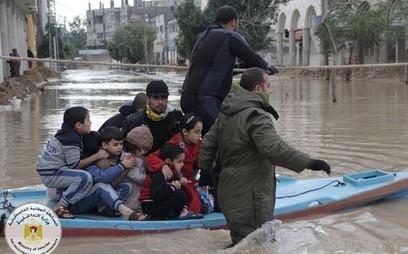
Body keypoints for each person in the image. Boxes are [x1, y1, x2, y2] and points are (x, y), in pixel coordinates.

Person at [198, 67, 331, 246]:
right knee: (257, 245)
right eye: (268, 86)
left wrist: (205, 169)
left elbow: (208, 142)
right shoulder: (256, 115)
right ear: (258, 89)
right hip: (250, 196)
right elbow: (274, 149)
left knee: (243, 243)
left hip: (229, 191)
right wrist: (310, 162)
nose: (270, 90)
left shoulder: (226, 112)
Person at [180, 5, 279, 135]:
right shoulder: (230, 36)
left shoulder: (202, 37)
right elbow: (252, 58)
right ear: (233, 22)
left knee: (205, 140)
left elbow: (218, 70)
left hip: (186, 98)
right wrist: (268, 68)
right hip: (205, 101)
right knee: (227, 136)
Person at [36, 106, 108, 218]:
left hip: (48, 170)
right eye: (88, 119)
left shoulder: (65, 133)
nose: (90, 122)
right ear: (79, 125)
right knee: (84, 177)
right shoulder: (72, 139)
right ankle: (60, 206)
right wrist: (97, 156)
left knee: (81, 177)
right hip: (52, 173)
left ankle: (63, 199)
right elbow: (74, 165)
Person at [146, 113, 203, 213]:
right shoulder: (173, 144)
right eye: (197, 132)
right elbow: (151, 157)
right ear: (185, 132)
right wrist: (163, 165)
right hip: (177, 180)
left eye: (200, 132)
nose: (200, 135)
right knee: (194, 204)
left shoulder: (198, 144)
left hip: (189, 180)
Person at [140, 143, 202, 220]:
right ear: (169, 161)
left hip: (158, 203)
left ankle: (183, 211)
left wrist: (179, 182)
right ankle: (182, 212)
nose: (182, 164)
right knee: (178, 193)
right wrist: (173, 187)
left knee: (182, 190)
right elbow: (157, 194)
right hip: (150, 207)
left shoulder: (171, 173)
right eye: (179, 161)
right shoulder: (158, 174)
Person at [122, 80, 183, 154]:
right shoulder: (133, 121)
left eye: (164, 97)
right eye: (156, 98)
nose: (160, 102)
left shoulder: (176, 118)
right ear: (148, 99)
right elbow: (123, 147)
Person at [113, 126, 154, 212]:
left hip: (139, 190)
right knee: (133, 198)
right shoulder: (128, 158)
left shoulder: (141, 157)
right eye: (144, 149)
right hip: (131, 191)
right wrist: (151, 180)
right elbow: (135, 176)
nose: (145, 152)